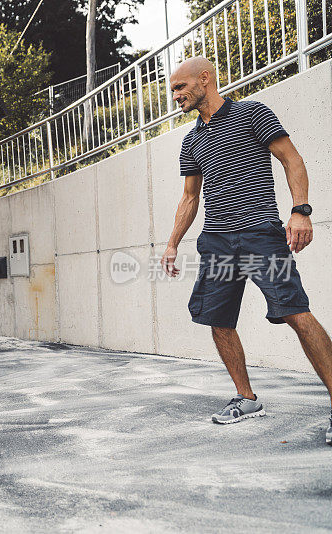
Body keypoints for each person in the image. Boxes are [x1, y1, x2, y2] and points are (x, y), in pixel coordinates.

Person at [162, 56, 332, 445]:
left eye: (180, 87)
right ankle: (247, 398)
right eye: (173, 90)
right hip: (218, 243)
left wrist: (300, 211)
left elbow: (292, 159)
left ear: (205, 79)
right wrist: (172, 243)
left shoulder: (252, 113)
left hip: (259, 234)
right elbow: (190, 198)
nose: (176, 96)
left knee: (295, 312)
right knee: (218, 319)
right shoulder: (192, 141)